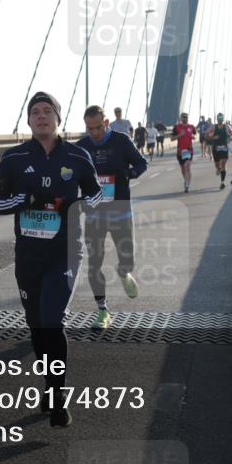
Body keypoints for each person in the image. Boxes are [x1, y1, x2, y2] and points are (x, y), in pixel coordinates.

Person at [0, 92, 103, 427]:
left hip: (66, 251)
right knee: (37, 327)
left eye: (47, 111)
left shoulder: (78, 156)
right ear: (28, 120)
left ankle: (57, 396)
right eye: (35, 112)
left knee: (53, 320)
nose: (41, 117)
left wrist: (79, 204)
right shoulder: (13, 158)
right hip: (28, 255)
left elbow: (96, 195)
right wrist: (25, 199)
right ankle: (49, 384)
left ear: (58, 118)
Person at [76, 106, 147, 330]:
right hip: (94, 216)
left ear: (106, 123)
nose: (94, 133)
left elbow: (141, 163)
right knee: (94, 263)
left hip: (121, 212)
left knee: (128, 259)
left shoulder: (121, 141)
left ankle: (124, 272)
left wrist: (129, 174)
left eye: (98, 127)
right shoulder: (81, 147)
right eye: (89, 128)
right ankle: (102, 310)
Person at [172, 112, 197, 193]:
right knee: (183, 169)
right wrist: (180, 135)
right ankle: (186, 180)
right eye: (183, 117)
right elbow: (172, 138)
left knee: (187, 166)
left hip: (189, 150)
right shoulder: (177, 127)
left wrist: (193, 137)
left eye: (186, 117)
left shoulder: (191, 127)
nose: (185, 118)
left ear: (187, 118)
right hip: (180, 151)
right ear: (181, 118)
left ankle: (187, 185)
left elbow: (195, 134)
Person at [207, 113, 232, 189]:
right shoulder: (213, 127)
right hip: (216, 148)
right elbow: (205, 134)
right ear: (217, 118)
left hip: (224, 148)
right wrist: (213, 137)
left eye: (222, 117)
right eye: (219, 117)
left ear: (223, 118)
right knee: (217, 165)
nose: (220, 119)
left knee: (224, 164)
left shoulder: (227, 126)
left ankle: (222, 182)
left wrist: (230, 137)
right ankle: (218, 169)